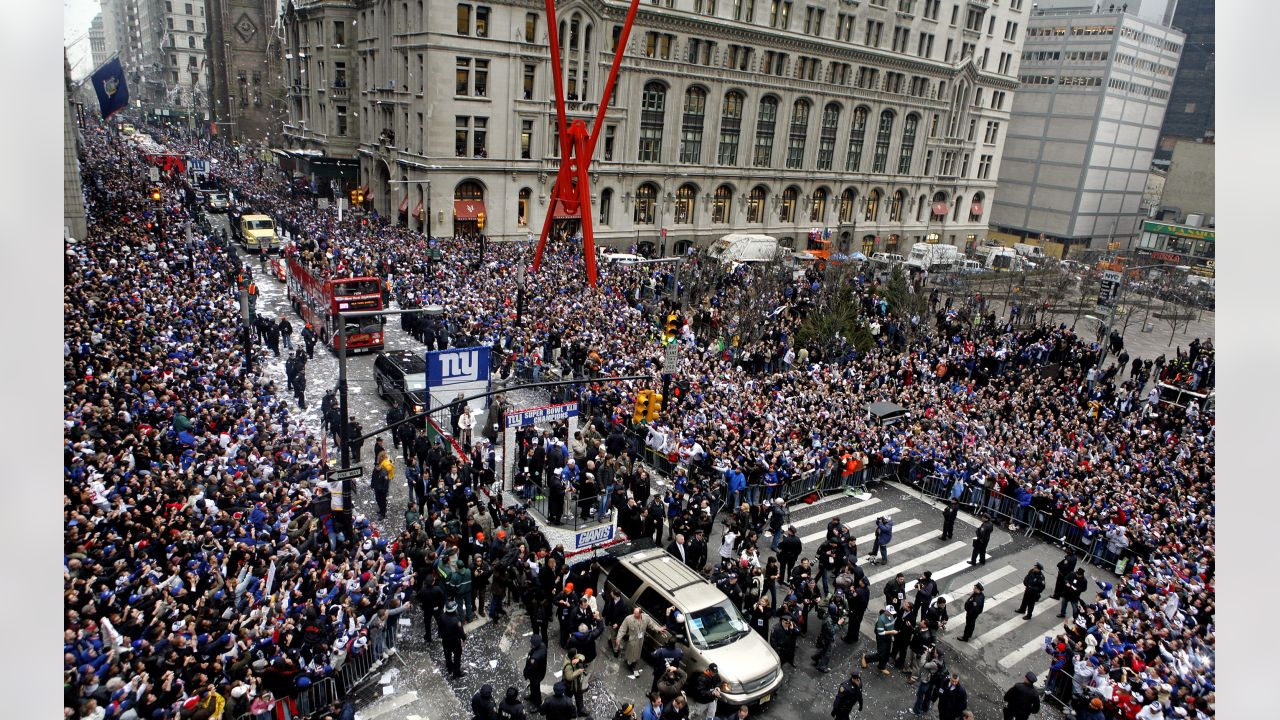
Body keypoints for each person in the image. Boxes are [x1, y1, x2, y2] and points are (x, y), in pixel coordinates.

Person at [618, 608, 657, 678]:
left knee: (638, 652)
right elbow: (622, 629)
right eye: (634, 613)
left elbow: (652, 625)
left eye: (636, 614)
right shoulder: (629, 619)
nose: (634, 615)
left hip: (640, 639)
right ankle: (630, 663)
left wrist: (658, 629)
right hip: (632, 640)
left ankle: (633, 662)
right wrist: (618, 639)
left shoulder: (646, 617)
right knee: (631, 652)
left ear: (640, 614)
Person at [859, 606, 898, 675]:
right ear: (887, 611)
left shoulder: (891, 616)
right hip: (882, 638)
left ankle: (882, 666)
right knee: (881, 654)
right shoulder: (881, 619)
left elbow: (892, 626)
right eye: (891, 613)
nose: (892, 614)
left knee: (887, 653)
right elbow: (880, 632)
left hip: (888, 636)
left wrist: (892, 636)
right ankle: (866, 658)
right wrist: (891, 632)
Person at [440, 600, 466, 677]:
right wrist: (464, 638)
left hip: (445, 640)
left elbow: (440, 628)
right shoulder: (456, 621)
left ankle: (449, 666)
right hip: (454, 641)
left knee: (447, 654)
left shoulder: (442, 616)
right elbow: (460, 631)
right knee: (457, 655)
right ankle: (456, 672)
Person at [523, 635, 548, 706]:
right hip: (539, 672)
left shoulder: (535, 658)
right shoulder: (542, 645)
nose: (531, 645)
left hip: (536, 675)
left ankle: (537, 703)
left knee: (536, 688)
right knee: (533, 687)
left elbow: (531, 669)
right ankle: (532, 697)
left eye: (532, 644)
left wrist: (526, 673)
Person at [562, 651, 588, 717]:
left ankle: (581, 710)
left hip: (577, 683)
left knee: (579, 696)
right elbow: (569, 677)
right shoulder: (568, 666)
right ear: (573, 656)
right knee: (568, 699)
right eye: (576, 654)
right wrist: (578, 671)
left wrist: (579, 659)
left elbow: (582, 656)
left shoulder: (573, 657)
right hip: (569, 686)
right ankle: (569, 712)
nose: (577, 655)